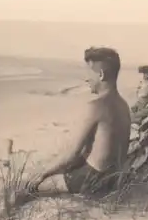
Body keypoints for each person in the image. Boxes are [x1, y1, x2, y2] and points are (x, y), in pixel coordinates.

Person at [26, 46, 131, 196]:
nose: (87, 78)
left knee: (29, 185)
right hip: (114, 179)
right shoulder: (123, 105)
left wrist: (42, 173)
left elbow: (72, 154)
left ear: (101, 75)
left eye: (89, 74)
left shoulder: (96, 106)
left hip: (92, 179)